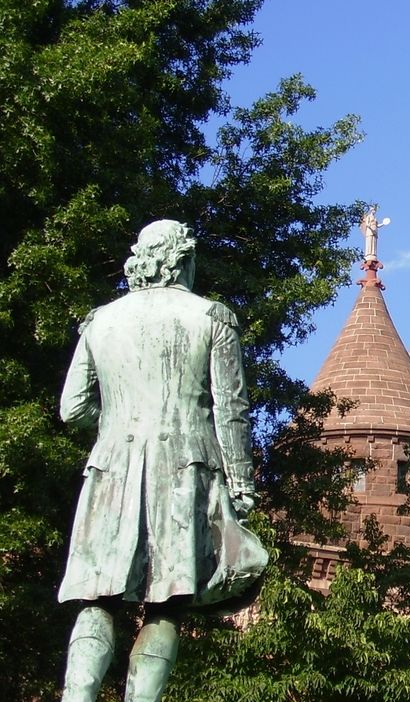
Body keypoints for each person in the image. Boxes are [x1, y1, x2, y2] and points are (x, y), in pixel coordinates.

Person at [59, 220, 268, 702]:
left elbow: (72, 409)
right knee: (167, 603)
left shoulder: (100, 321)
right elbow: (230, 411)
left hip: (110, 468)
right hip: (185, 469)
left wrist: (114, 422)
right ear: (181, 261)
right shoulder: (212, 318)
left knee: (97, 599)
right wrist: (241, 484)